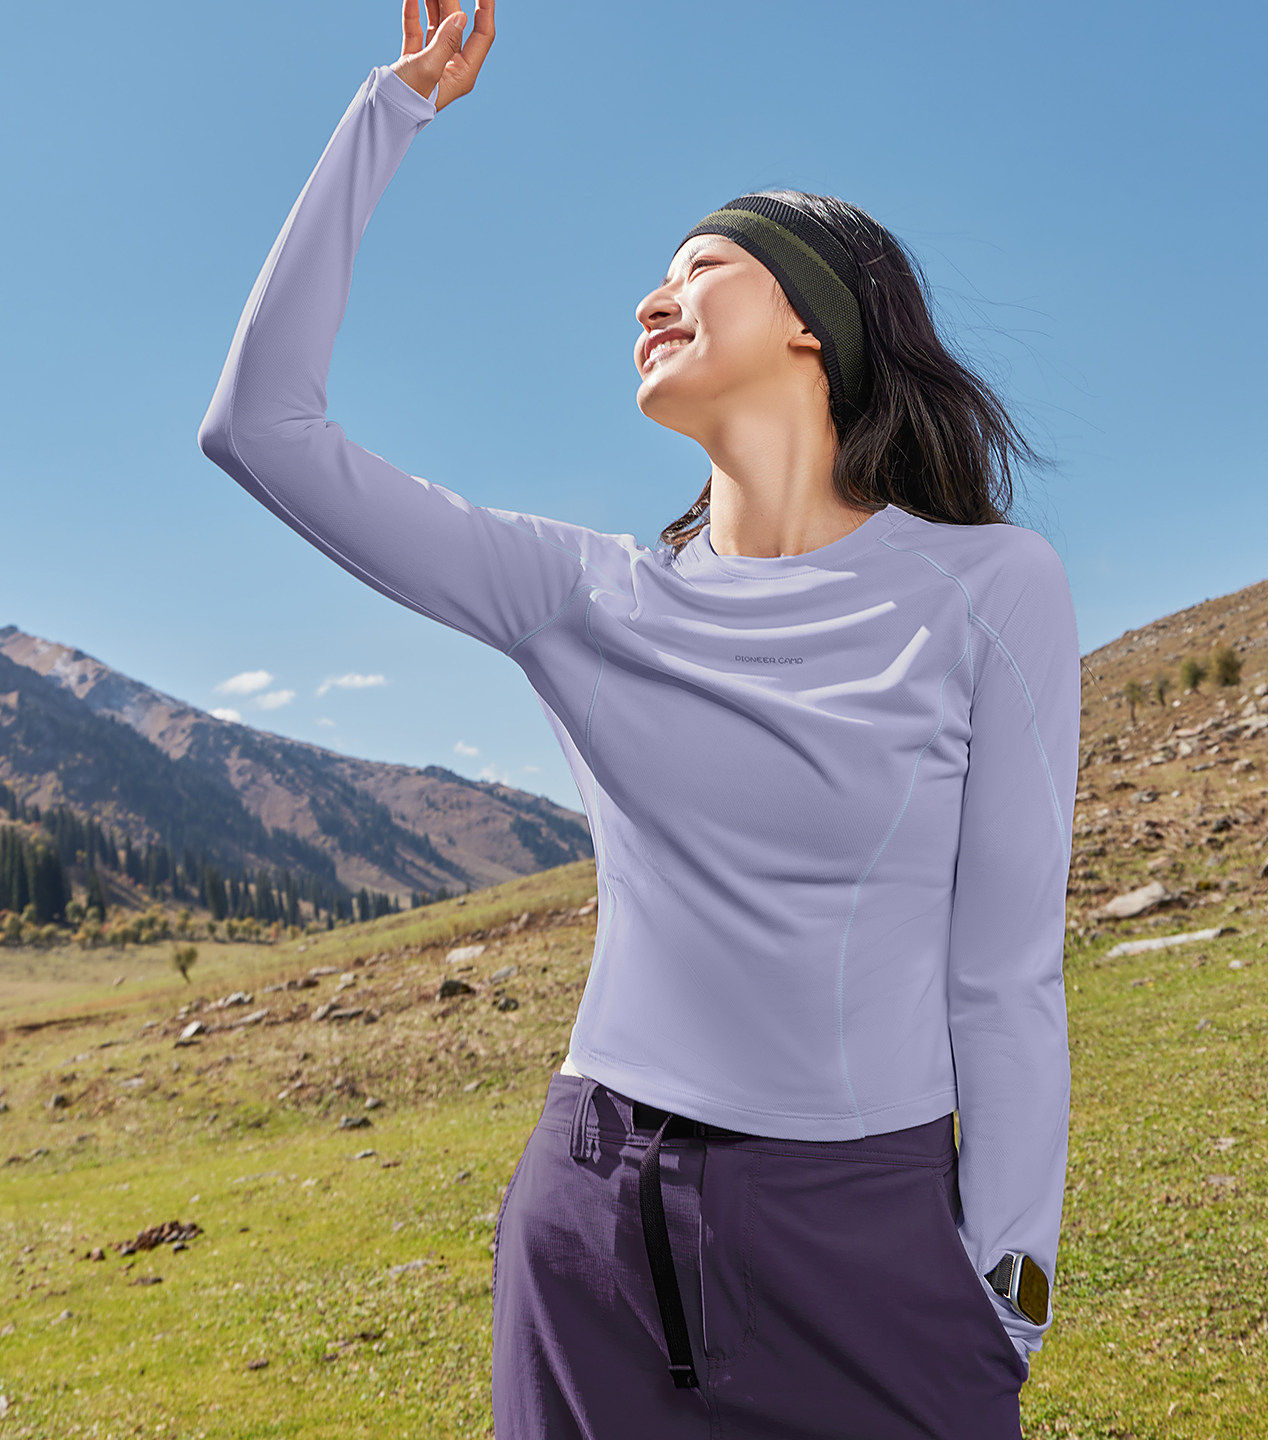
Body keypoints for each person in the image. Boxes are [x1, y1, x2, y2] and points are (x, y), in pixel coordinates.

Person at [196, 2, 1082, 1436]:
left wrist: (1012, 1285)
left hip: (871, 1240)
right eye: (652, 279)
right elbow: (259, 427)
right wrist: (391, 112)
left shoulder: (986, 589)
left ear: (813, 317)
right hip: (595, 1226)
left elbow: (1006, 979)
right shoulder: (583, 597)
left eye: (700, 270)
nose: (650, 300)